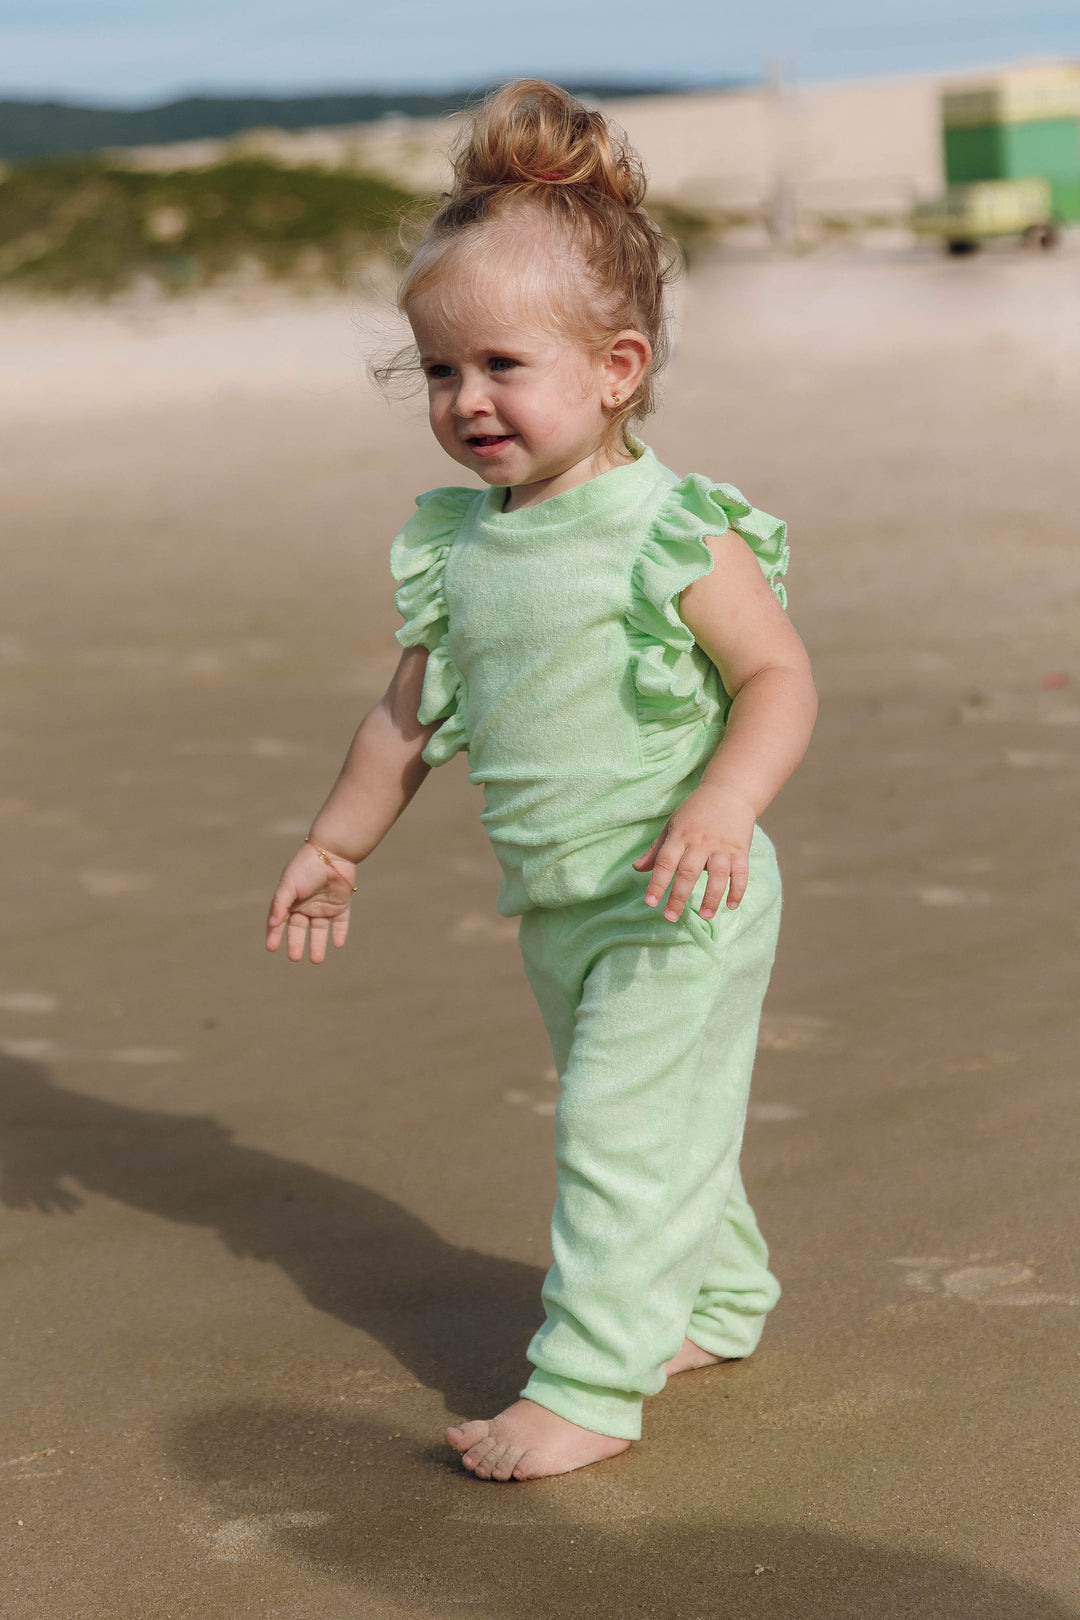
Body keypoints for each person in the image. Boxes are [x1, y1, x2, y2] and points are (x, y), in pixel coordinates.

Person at [265, 79, 818, 1483]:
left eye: (503, 365)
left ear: (618, 367)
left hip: (682, 887)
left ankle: (586, 1382)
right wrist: (339, 842)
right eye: (440, 372)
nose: (467, 401)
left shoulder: (671, 530)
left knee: (614, 1129)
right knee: (657, 1107)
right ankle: (715, 1298)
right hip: (563, 903)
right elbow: (407, 717)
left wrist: (723, 802)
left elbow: (778, 681)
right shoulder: (463, 548)